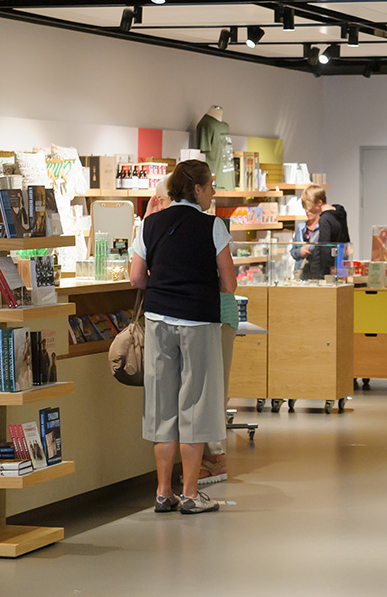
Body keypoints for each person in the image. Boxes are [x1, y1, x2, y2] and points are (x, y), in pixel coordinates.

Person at [129, 160, 237, 515]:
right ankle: (190, 493)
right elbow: (229, 283)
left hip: (158, 320)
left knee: (161, 404)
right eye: (211, 186)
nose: (214, 193)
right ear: (197, 189)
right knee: (197, 403)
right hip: (199, 322)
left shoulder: (150, 223)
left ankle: (163, 492)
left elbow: (136, 278)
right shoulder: (214, 227)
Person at [301, 184, 350, 280]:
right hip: (340, 264)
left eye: (310, 206)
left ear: (319, 202)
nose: (309, 209)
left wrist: (326, 275)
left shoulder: (325, 219)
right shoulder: (340, 211)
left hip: (326, 271)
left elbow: (325, 249)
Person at [290, 199, 321, 272]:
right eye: (305, 208)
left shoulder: (322, 228)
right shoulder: (301, 227)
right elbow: (293, 251)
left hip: (316, 271)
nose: (307, 211)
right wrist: (300, 251)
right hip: (300, 270)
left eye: (310, 208)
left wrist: (309, 248)